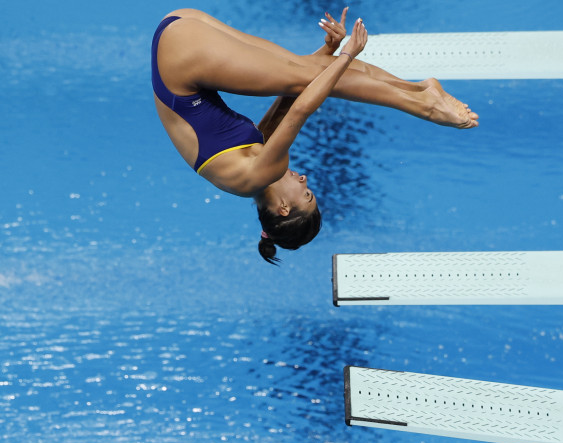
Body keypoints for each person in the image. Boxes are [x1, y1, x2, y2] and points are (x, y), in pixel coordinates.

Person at [151, 8, 478, 264]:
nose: (306, 181)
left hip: (181, 53)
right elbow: (290, 99)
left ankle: (424, 104)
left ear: (282, 208)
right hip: (180, 34)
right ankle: (419, 90)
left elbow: (302, 108)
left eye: (305, 196)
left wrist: (349, 54)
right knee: (308, 71)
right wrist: (329, 50)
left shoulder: (259, 175)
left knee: (312, 75)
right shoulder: (247, 174)